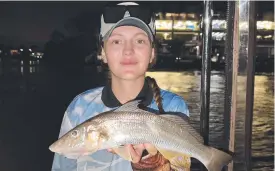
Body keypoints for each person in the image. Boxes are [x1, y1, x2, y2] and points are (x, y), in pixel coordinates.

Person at [51, 2, 191, 171]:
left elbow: (182, 167)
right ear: (103, 52)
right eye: (117, 41)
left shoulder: (173, 106)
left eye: (139, 40)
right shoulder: (79, 107)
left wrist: (158, 167)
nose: (128, 51)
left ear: (152, 52)